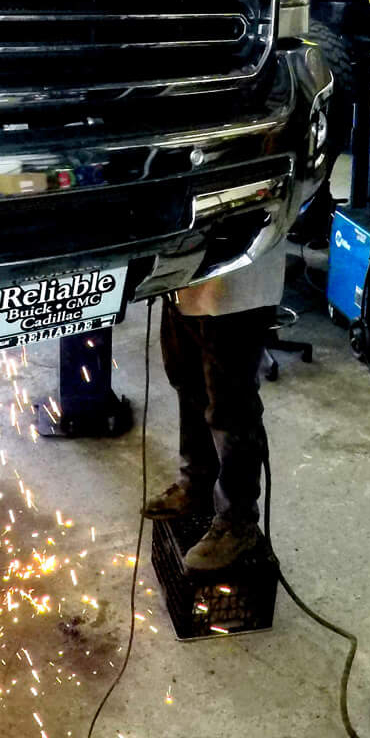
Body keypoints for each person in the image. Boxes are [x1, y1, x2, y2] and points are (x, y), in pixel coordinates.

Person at [140, 242, 282, 571]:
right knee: (185, 377)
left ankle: (237, 523)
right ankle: (197, 482)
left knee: (230, 406)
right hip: (184, 271)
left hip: (240, 274)